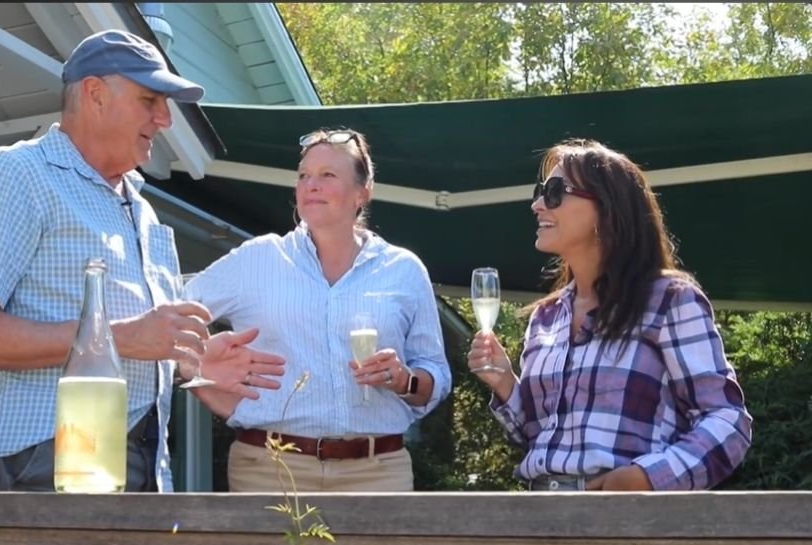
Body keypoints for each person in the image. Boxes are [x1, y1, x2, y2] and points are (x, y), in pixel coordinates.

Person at [0, 29, 283, 545]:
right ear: (94, 94)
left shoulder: (141, 208)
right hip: (42, 473)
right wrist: (120, 336)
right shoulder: (16, 174)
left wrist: (194, 363)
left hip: (146, 482)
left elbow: (140, 345)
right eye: (150, 100)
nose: (165, 120)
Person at [467, 138, 752, 492]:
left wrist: (648, 478)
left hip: (628, 525)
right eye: (540, 191)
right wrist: (506, 384)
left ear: (607, 207)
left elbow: (727, 420)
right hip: (539, 517)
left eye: (555, 192)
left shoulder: (669, 300)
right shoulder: (546, 317)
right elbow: (541, 440)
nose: (537, 204)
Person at [188, 127, 452, 494]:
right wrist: (198, 374)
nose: (311, 185)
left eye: (327, 175)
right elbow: (169, 319)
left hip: (377, 474)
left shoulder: (404, 269)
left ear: (363, 191)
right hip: (269, 469)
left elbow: (436, 375)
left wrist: (404, 379)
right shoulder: (258, 259)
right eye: (304, 176)